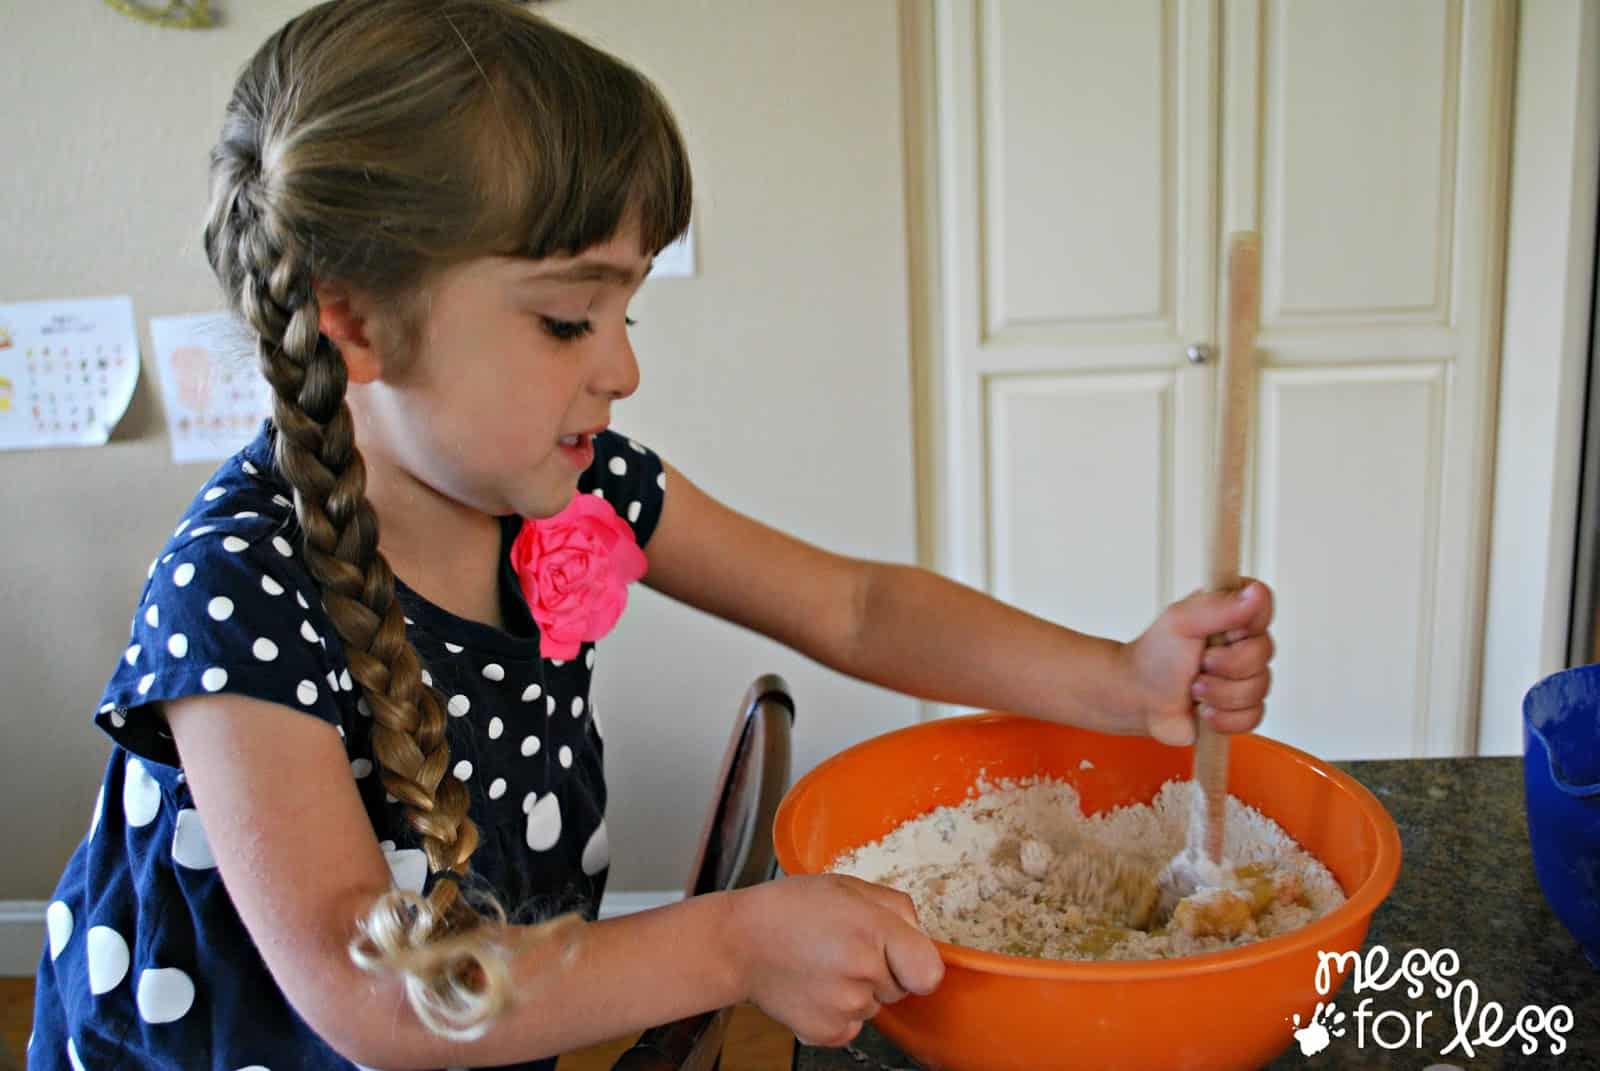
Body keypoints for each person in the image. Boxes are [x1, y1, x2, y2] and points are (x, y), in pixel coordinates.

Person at [28, 2, 1276, 1068]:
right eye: (570, 320)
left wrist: (1120, 679)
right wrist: (732, 943)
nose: (621, 367)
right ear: (353, 325)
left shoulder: (574, 486)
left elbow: (853, 609)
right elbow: (370, 1003)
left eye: (627, 307)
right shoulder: (236, 593)